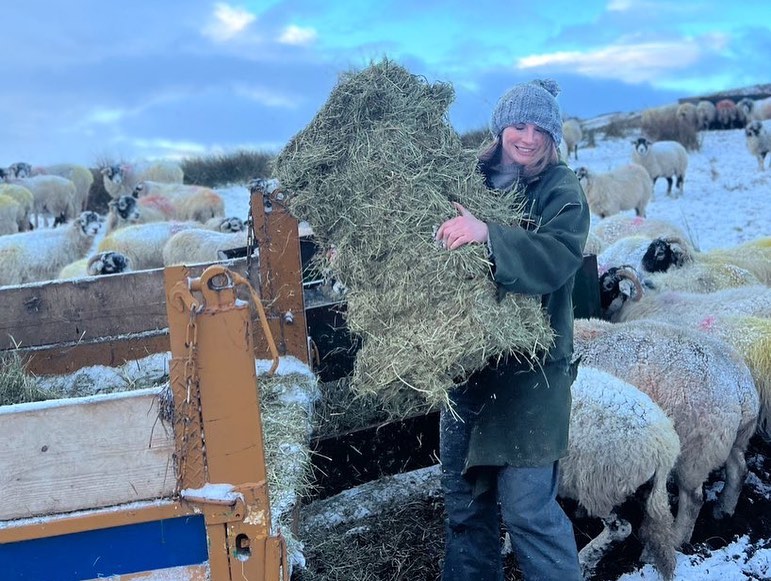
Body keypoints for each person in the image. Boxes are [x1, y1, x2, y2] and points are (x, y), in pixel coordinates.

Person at [434, 79, 590, 581]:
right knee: (464, 503)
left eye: (538, 129)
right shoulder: (469, 178)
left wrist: (489, 234)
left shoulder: (560, 189)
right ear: (500, 127)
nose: (526, 138)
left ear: (552, 136)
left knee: (527, 511)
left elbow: (559, 257)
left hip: (532, 369)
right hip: (468, 362)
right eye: (517, 126)